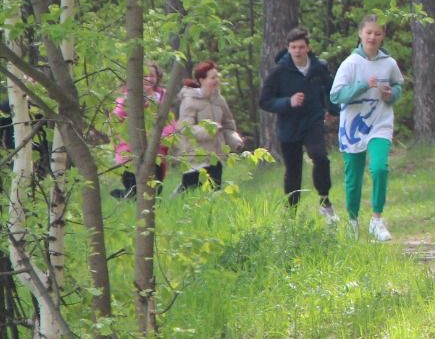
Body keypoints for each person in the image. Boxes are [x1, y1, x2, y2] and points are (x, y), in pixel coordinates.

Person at [330, 16, 405, 241]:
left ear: (383, 37)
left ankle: (376, 220)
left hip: (380, 123)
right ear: (360, 34)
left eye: (378, 33)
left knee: (380, 168)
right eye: (369, 32)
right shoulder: (350, 63)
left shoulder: (389, 63)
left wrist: (391, 94)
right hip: (353, 127)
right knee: (353, 178)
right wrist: (362, 86)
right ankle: (352, 222)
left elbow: (398, 85)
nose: (373, 37)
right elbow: (336, 95)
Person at [258, 25, 338, 222]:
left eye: (301, 47)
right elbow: (265, 101)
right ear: (288, 48)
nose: (297, 52)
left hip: (313, 121)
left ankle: (325, 202)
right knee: (293, 171)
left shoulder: (319, 67)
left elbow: (332, 90)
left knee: (320, 157)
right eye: (293, 47)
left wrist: (333, 110)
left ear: (308, 48)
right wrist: (288, 102)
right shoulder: (279, 71)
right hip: (289, 124)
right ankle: (291, 215)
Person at [174, 61, 245, 191]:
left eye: (217, 77)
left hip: (215, 157)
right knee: (191, 195)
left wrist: (236, 142)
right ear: (202, 80)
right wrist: (209, 130)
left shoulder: (219, 100)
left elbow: (227, 126)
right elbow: (185, 129)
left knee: (214, 194)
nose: (216, 80)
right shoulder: (189, 100)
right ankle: (173, 202)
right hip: (195, 158)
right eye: (212, 78)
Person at [111, 63, 173, 198]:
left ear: (157, 78)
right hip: (131, 154)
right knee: (135, 191)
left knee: (155, 193)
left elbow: (170, 126)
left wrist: (158, 138)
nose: (148, 79)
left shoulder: (162, 100)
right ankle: (124, 197)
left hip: (156, 154)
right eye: (144, 75)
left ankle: (122, 196)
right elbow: (115, 122)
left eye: (152, 75)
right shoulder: (125, 100)